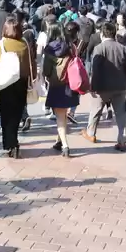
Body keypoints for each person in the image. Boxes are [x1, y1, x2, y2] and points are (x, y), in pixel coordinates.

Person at [0, 16, 33, 158]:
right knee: (17, 113)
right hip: (21, 82)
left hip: (5, 82)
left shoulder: (0, 44)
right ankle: (14, 142)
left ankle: (10, 143)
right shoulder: (24, 43)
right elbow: (30, 63)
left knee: (6, 114)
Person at [82, 20, 126, 151]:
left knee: (96, 110)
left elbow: (95, 70)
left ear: (102, 34)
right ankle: (122, 140)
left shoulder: (99, 48)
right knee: (121, 114)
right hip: (120, 86)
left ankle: (91, 133)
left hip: (102, 87)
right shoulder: (122, 48)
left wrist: (93, 86)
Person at [43, 21, 81, 157]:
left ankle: (65, 145)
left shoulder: (49, 48)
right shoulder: (71, 46)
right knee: (63, 114)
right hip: (69, 83)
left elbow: (46, 70)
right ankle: (59, 140)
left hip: (56, 84)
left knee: (59, 115)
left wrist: (47, 76)